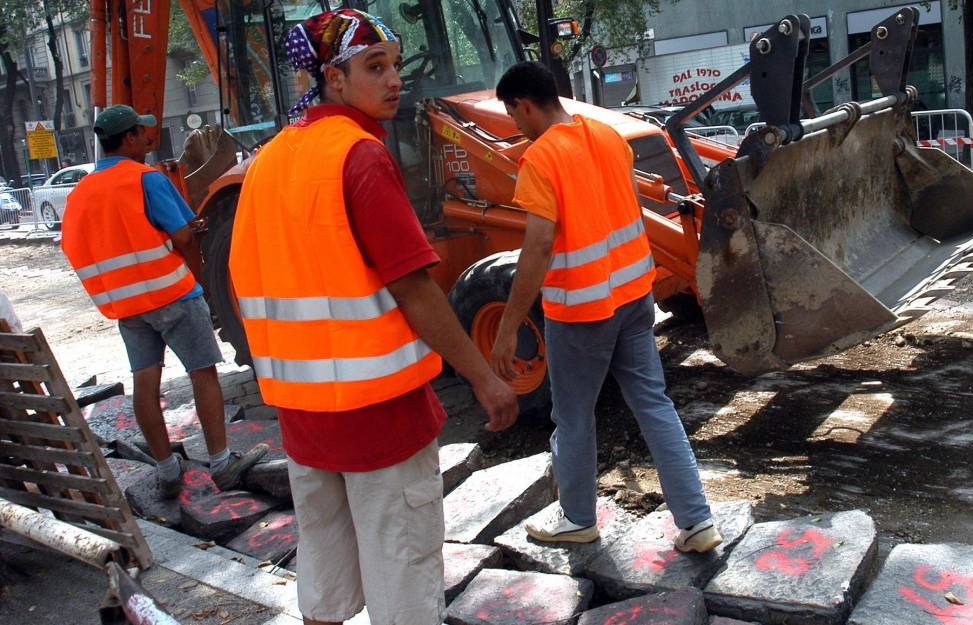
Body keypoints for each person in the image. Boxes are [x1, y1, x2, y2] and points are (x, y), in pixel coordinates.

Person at [230, 9, 519, 625]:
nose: (394, 80)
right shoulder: (360, 157)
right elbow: (414, 289)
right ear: (333, 77)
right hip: (381, 419)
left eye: (393, 64)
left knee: (325, 582)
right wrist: (484, 376)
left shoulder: (270, 161)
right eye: (375, 67)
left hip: (304, 420)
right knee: (404, 585)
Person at [489, 61, 721, 554]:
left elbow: (538, 247)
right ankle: (697, 521)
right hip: (634, 295)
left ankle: (577, 518)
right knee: (654, 404)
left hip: (581, 310)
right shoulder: (604, 135)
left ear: (523, 104)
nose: (514, 126)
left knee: (574, 417)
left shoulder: (541, 159)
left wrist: (509, 324)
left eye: (513, 115)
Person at [61, 105, 268, 497]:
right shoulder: (145, 179)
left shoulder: (81, 193)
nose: (148, 138)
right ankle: (223, 464)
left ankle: (167, 470)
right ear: (127, 138)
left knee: (145, 383)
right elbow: (186, 237)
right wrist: (199, 278)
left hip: (128, 307)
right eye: (142, 132)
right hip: (172, 293)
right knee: (203, 372)